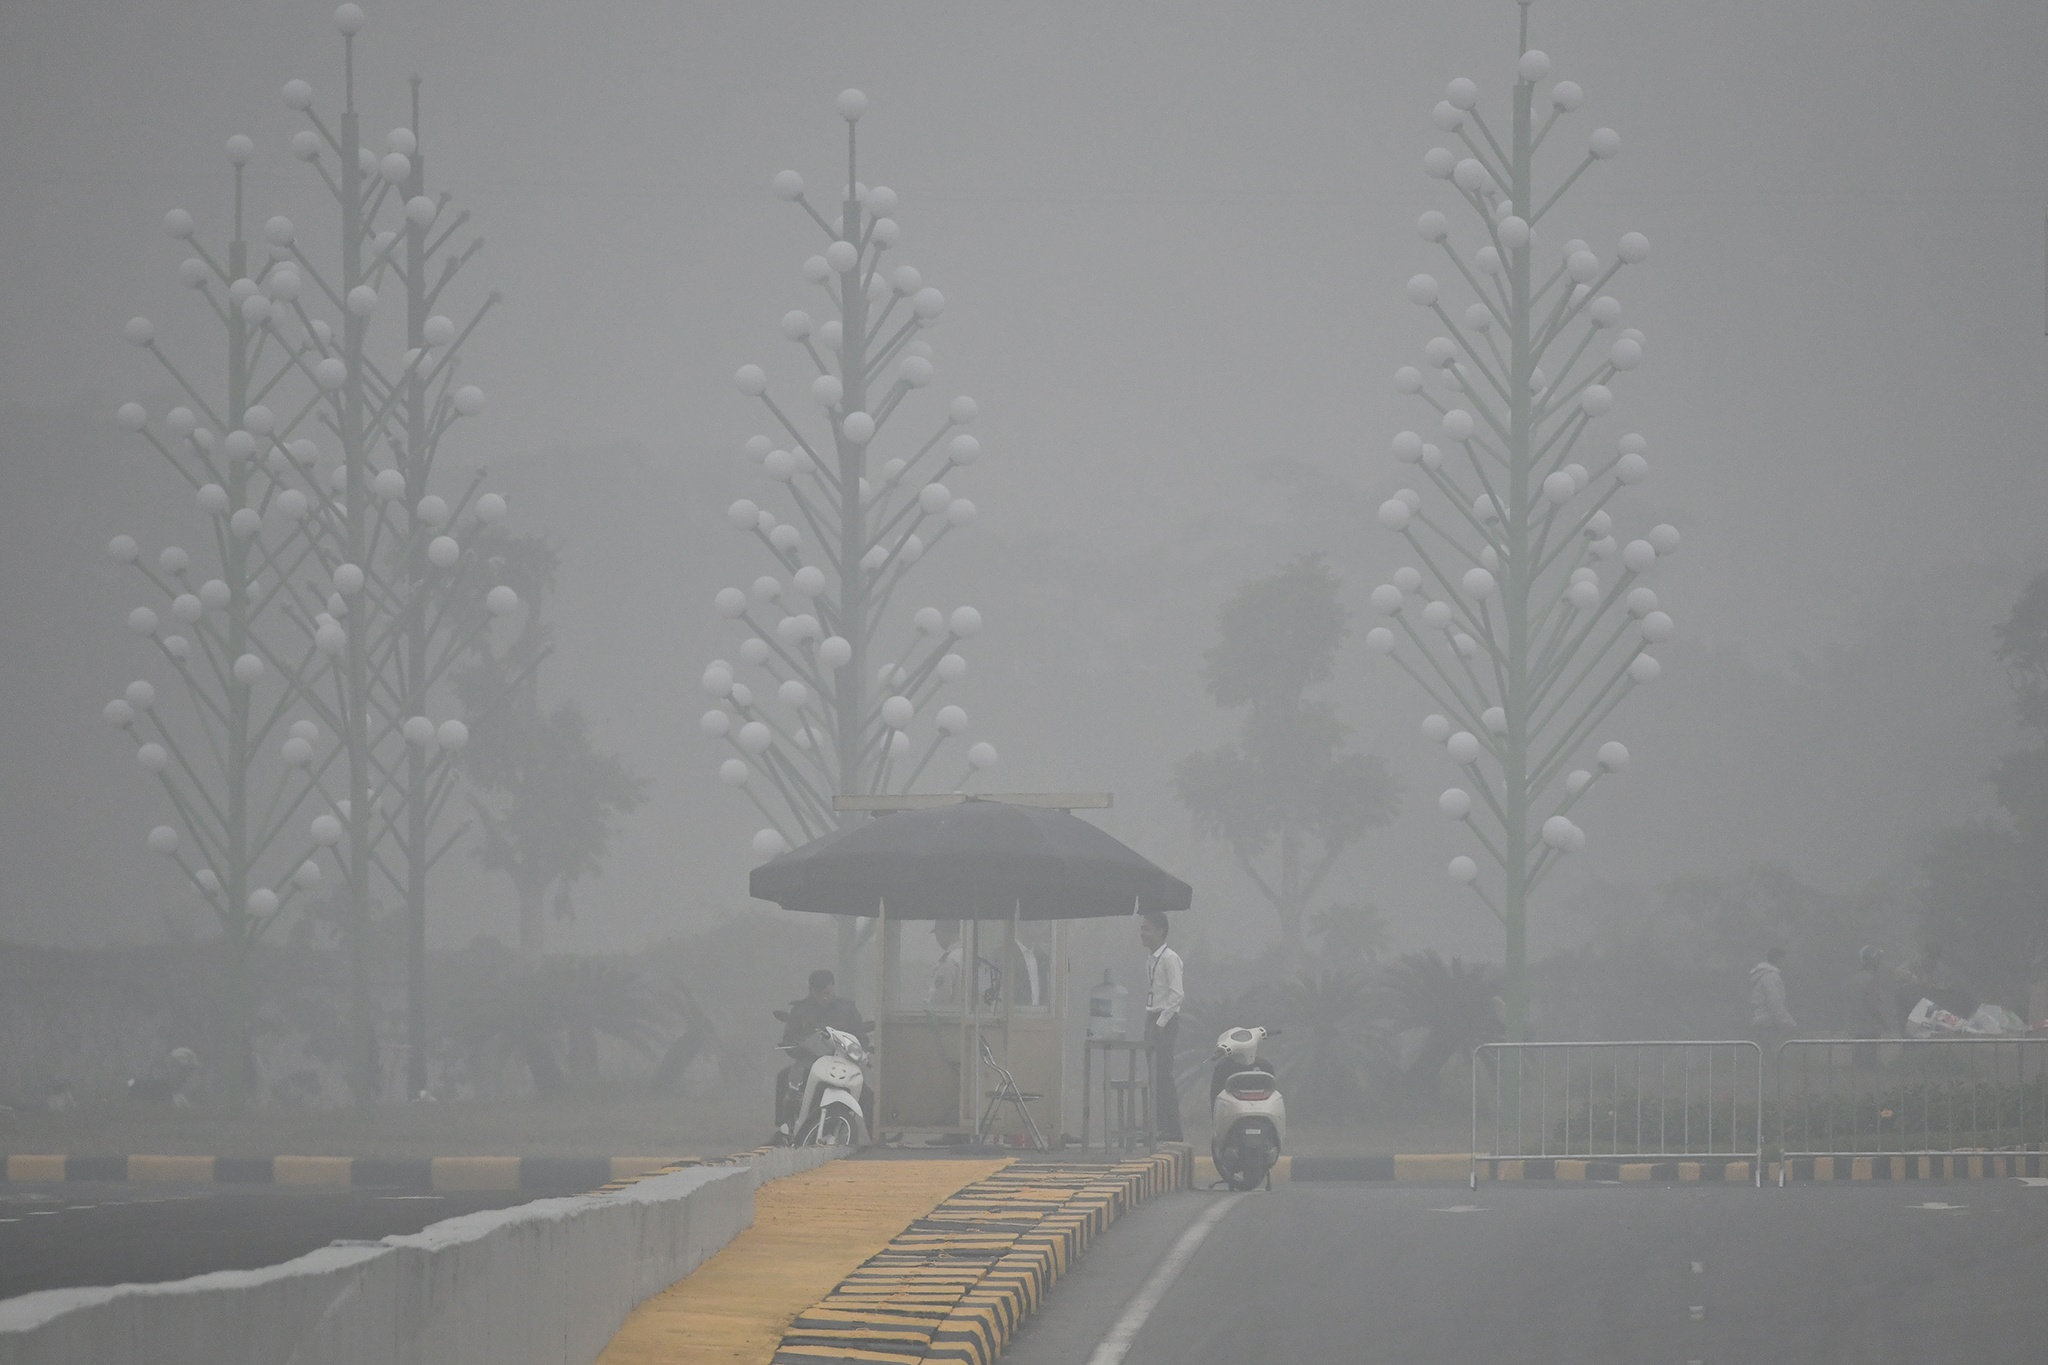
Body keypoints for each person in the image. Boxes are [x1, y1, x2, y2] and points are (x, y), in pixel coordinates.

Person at [773, 969, 867, 1142]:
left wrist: (861, 1049)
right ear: (810, 990)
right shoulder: (800, 1010)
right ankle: (784, 1128)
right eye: (819, 992)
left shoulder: (848, 1009)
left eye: (827, 992)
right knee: (783, 1078)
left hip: (842, 1063)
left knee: (867, 1094)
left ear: (834, 987)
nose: (824, 997)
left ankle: (878, 1137)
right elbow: (788, 1040)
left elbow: (860, 1036)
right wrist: (799, 1048)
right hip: (809, 1063)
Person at [1140, 910, 1184, 1143]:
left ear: (1160, 931)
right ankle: (1157, 1128)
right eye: (1142, 929)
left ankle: (1172, 1130)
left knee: (1163, 1076)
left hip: (1165, 1020)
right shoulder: (1151, 959)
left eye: (1147, 929)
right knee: (1153, 1076)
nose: (1142, 934)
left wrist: (1160, 1023)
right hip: (1152, 1016)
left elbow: (1177, 995)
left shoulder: (1170, 958)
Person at [1851, 946, 1895, 1068]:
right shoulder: (1871, 979)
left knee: (1858, 1062)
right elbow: (1872, 1006)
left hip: (1856, 1026)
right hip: (1869, 1027)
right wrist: (1884, 1023)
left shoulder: (1856, 978)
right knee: (1869, 1062)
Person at [1749, 948, 1795, 1057]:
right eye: (1785, 958)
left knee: (1765, 1057)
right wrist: (1789, 1024)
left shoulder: (1763, 976)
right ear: (1779, 959)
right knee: (1775, 1057)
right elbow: (1775, 1004)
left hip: (1762, 1023)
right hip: (1768, 1025)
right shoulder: (1772, 977)